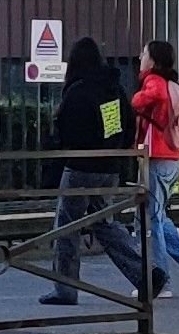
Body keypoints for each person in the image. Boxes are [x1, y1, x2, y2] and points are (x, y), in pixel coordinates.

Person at [39, 37, 151, 306]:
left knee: (66, 227)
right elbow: (124, 126)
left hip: (80, 168)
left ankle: (65, 289)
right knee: (105, 224)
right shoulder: (113, 88)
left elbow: (68, 135)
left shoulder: (77, 92)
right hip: (109, 168)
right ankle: (145, 276)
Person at [131, 40, 179, 287]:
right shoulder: (173, 85)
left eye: (144, 53)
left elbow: (150, 97)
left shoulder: (154, 81)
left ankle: (159, 281)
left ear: (152, 60)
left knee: (150, 221)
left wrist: (134, 99)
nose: (140, 57)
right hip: (171, 159)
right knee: (156, 216)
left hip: (157, 158)